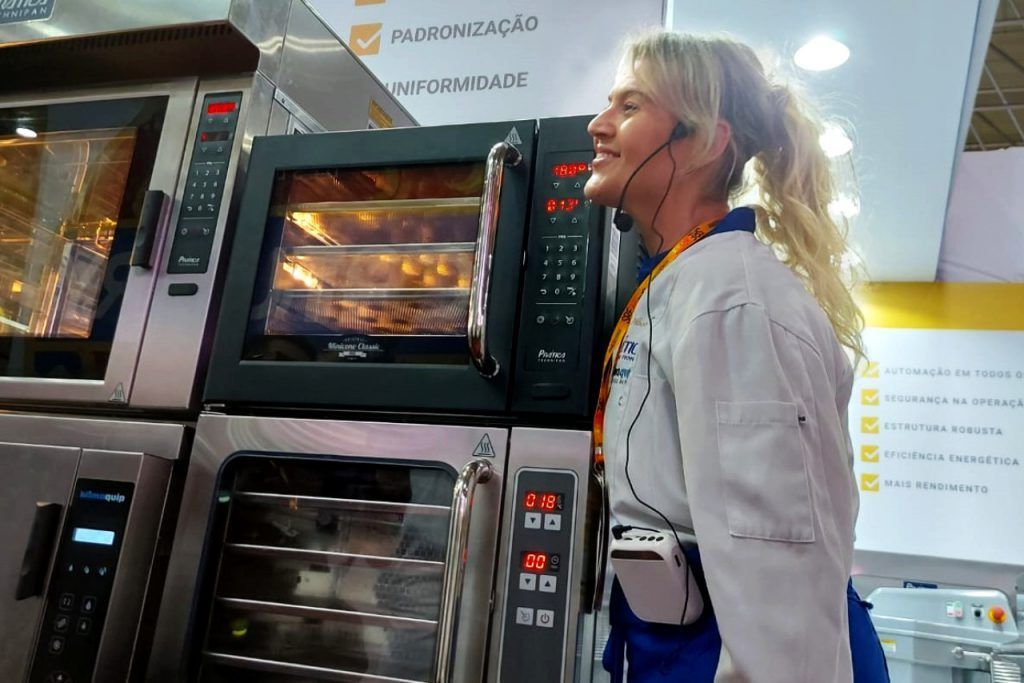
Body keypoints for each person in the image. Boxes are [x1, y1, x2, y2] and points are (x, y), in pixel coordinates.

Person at [585, 31, 890, 682]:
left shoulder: (732, 301)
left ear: (701, 141)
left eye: (630, 106)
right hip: (676, 647)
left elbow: (782, 575)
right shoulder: (684, 281)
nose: (598, 124)